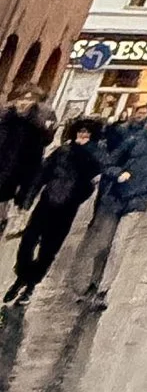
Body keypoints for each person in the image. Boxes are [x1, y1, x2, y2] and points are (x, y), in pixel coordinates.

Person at [76, 103, 147, 309]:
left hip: (137, 201)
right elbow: (109, 162)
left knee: (119, 246)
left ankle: (103, 290)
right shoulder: (134, 141)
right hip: (115, 197)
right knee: (103, 246)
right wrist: (117, 173)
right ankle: (94, 282)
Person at [5, 117, 103, 305]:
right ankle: (22, 276)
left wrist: (75, 197)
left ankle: (31, 285)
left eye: (87, 132)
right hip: (47, 203)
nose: (82, 135)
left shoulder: (93, 156)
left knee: (48, 249)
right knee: (28, 241)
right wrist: (28, 199)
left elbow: (90, 185)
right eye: (80, 131)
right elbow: (42, 174)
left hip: (66, 209)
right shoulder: (62, 151)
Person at [0, 98, 50, 238]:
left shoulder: (36, 124)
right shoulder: (6, 119)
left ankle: (6, 221)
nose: (23, 103)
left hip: (22, 167)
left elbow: (44, 142)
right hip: (4, 163)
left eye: (28, 99)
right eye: (21, 98)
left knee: (13, 197)